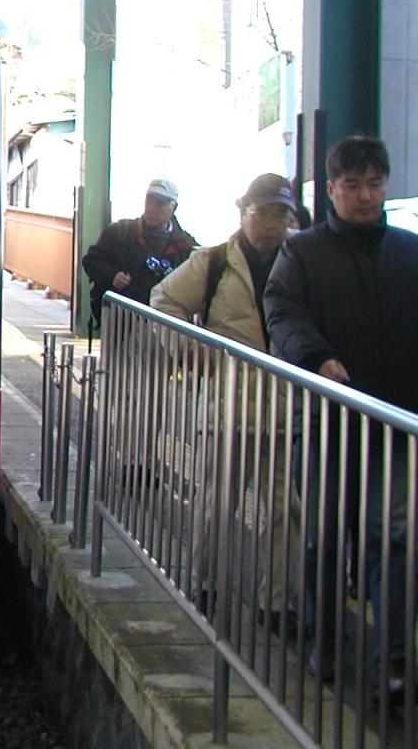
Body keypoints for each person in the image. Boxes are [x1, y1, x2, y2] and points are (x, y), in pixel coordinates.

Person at [264, 136, 418, 696]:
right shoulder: (301, 253)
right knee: (325, 537)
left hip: (396, 423)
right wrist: (318, 359)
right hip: (327, 421)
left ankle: (392, 660)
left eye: (374, 184)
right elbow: (282, 312)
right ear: (330, 189)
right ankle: (327, 641)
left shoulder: (409, 252)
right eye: (352, 185)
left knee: (393, 536)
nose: (364, 195)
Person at [150, 173, 302, 635]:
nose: (271, 224)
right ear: (242, 212)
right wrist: (191, 350)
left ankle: (279, 604)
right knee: (218, 504)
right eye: (262, 213)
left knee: (286, 511)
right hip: (228, 407)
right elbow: (163, 300)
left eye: (280, 214)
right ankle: (206, 585)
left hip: (286, 410)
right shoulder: (214, 261)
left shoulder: (303, 258)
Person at [82, 178, 198, 325]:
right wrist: (112, 275)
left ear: (173, 207)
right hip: (120, 322)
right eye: (149, 201)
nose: (152, 208)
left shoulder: (185, 246)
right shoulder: (119, 233)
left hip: (163, 324)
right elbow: (91, 261)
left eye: (160, 204)